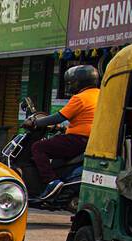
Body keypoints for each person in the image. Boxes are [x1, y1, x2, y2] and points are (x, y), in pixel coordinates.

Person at [29, 64, 100, 200]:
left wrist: (35, 122)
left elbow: (59, 117)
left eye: (72, 82)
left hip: (78, 140)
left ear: (80, 82)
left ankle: (51, 181)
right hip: (92, 139)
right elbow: (86, 120)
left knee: (38, 147)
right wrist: (62, 129)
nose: (70, 85)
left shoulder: (80, 98)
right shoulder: (100, 94)